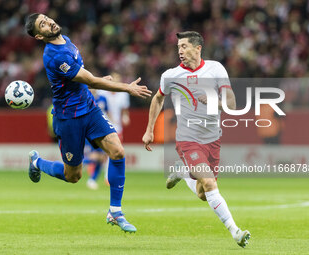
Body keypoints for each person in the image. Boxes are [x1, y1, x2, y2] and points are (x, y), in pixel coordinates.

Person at [25, 13, 151, 233]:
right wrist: (126, 87)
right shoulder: (54, 56)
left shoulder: (67, 42)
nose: (50, 22)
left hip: (90, 109)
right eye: (42, 24)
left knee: (118, 152)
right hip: (68, 118)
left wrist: (101, 78)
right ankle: (37, 163)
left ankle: (115, 211)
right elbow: (90, 80)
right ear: (39, 35)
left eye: (47, 18)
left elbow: (85, 75)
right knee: (72, 176)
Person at [142, 31, 251, 247]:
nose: (180, 51)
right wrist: (149, 129)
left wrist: (214, 101)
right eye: (178, 47)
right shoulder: (171, 75)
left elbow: (231, 102)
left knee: (203, 193)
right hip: (187, 138)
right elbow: (157, 99)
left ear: (198, 48)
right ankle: (236, 231)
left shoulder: (216, 69)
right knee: (210, 183)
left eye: (184, 46)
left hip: (213, 139)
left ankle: (183, 172)